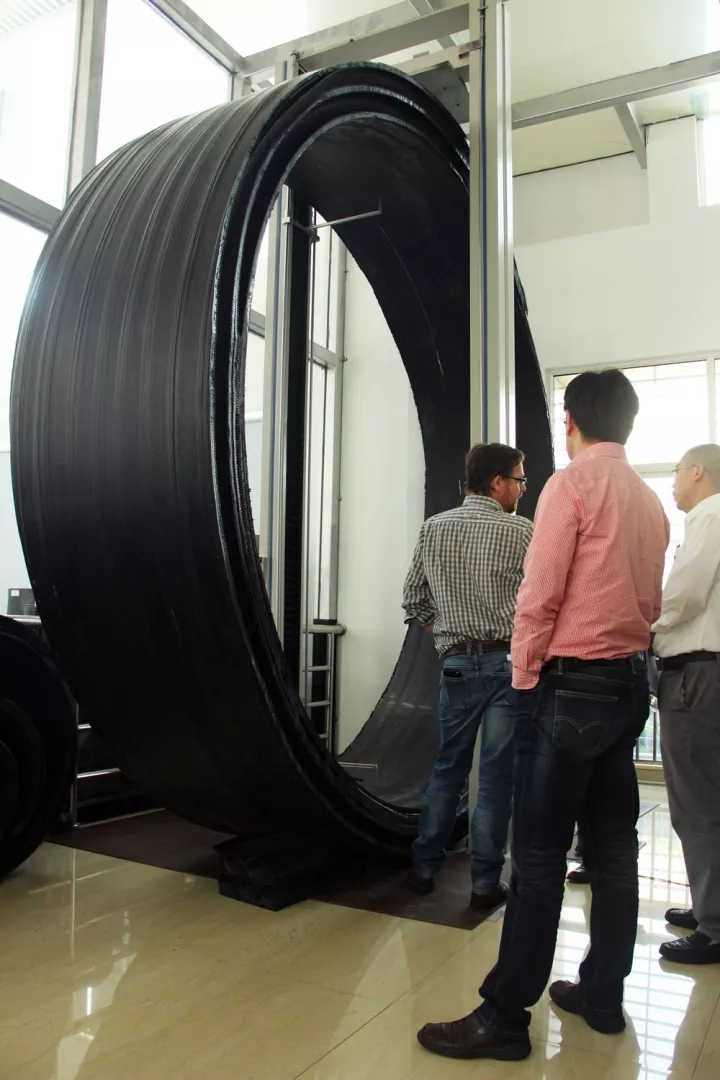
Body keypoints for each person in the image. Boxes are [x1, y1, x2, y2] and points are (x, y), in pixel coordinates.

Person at [417, 369, 669, 1062]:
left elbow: (539, 596)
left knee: (538, 856)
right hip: (627, 687)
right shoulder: (649, 499)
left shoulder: (571, 486)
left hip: (568, 686)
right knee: (614, 850)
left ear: (570, 421)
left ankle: (504, 1017)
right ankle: (604, 995)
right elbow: (651, 602)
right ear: (629, 422)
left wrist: (526, 683)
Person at [402, 442, 533, 909]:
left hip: (456, 664)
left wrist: (448, 632)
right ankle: (483, 885)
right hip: (505, 665)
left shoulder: (434, 528)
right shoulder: (522, 532)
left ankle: (423, 869)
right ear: (497, 482)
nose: (522, 488)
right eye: (519, 479)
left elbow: (413, 598)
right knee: (496, 778)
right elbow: (539, 600)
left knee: (448, 770)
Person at [653, 443, 720, 965]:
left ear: (698, 472)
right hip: (705, 671)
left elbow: (686, 593)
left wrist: (646, 626)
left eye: (677, 472)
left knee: (697, 801)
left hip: (697, 673)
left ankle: (713, 926)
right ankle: (708, 905)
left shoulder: (710, 515)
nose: (674, 482)